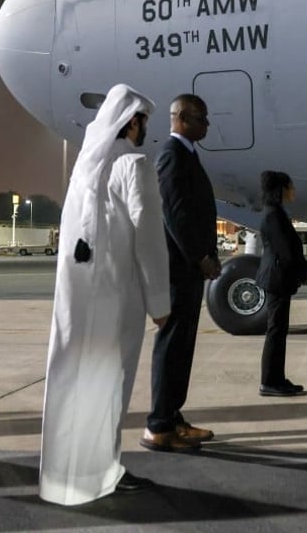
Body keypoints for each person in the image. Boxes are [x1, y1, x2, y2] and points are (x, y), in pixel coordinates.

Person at [39, 84, 170, 504]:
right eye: (144, 121)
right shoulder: (134, 164)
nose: (145, 128)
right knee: (111, 384)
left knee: (74, 380)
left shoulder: (87, 165)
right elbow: (149, 236)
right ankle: (104, 470)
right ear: (132, 122)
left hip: (78, 296)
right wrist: (160, 302)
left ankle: (65, 475)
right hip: (119, 293)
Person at [141, 94, 221, 452]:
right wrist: (201, 256)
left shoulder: (187, 154)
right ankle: (159, 424)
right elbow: (175, 215)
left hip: (188, 268)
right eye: (203, 117)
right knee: (172, 344)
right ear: (184, 118)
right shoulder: (172, 156)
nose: (208, 124)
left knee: (182, 345)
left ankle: (172, 418)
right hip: (179, 269)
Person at [254, 171, 307, 396]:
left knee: (278, 330)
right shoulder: (273, 216)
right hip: (277, 279)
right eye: (291, 186)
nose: (293, 191)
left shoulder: (275, 213)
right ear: (281, 190)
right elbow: (287, 252)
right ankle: (269, 381)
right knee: (276, 331)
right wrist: (303, 271)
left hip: (278, 278)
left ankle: (276, 378)